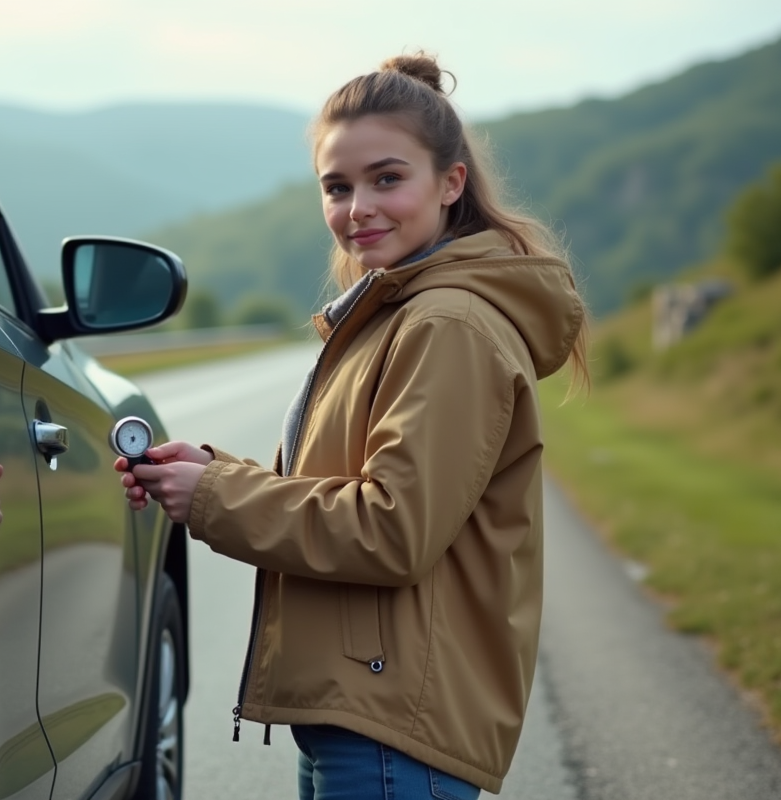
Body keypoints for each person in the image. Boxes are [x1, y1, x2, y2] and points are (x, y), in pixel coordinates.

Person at [115, 52, 588, 799]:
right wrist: (211, 473)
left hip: (394, 731)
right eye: (337, 187)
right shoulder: (393, 315)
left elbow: (390, 528)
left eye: (387, 179)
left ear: (451, 183)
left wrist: (214, 499)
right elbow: (336, 491)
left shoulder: (448, 324)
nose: (357, 207)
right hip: (361, 719)